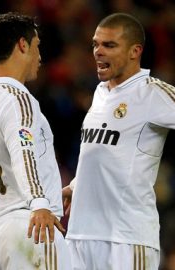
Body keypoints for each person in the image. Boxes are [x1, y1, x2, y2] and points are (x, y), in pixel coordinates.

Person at [63, 12, 175, 270]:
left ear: (135, 51)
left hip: (126, 240)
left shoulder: (151, 93)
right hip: (81, 236)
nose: (98, 52)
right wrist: (77, 185)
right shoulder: (101, 92)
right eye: (95, 44)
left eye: (109, 45)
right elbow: (106, 151)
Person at [0, 12, 72, 270]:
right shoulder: (18, 98)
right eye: (37, 47)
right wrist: (39, 203)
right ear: (22, 45)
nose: (40, 57)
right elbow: (24, 150)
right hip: (30, 227)